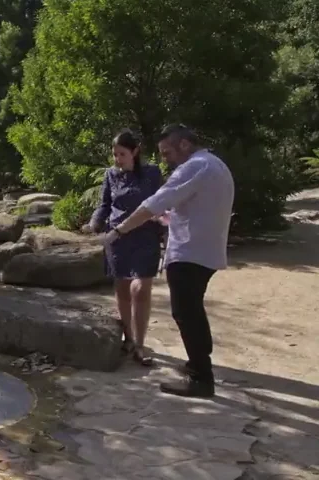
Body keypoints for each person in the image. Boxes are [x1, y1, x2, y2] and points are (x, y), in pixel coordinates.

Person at [102, 124, 235, 398]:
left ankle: (200, 378)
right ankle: (197, 365)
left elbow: (153, 202)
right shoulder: (215, 164)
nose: (165, 159)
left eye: (166, 152)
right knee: (193, 312)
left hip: (190, 254)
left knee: (187, 315)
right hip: (206, 251)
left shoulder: (194, 167)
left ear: (184, 145)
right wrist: (166, 219)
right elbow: (197, 210)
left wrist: (117, 231)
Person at [83, 130, 164, 367]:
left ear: (135, 152)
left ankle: (140, 344)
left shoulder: (152, 173)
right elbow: (105, 205)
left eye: (122, 154)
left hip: (146, 236)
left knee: (141, 289)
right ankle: (128, 337)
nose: (117, 159)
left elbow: (160, 202)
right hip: (117, 238)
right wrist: (94, 223)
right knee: (122, 288)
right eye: (115, 154)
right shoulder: (111, 174)